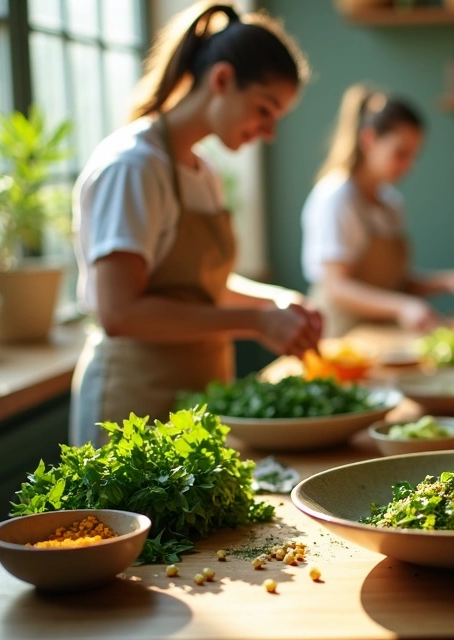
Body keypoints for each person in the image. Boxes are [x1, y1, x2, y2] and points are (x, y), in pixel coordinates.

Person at [71, 2, 322, 445]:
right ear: (222, 80)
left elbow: (202, 289)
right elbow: (120, 312)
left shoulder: (202, 173)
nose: (269, 132)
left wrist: (277, 304)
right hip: (131, 403)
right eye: (264, 110)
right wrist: (257, 322)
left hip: (196, 399)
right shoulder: (133, 166)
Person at [302, 85, 454, 337]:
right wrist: (403, 306)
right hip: (342, 337)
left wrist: (448, 281)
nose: (408, 166)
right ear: (369, 140)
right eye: (400, 153)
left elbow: (393, 282)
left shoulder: (391, 204)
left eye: (413, 156)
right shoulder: (337, 197)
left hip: (382, 337)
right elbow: (337, 286)